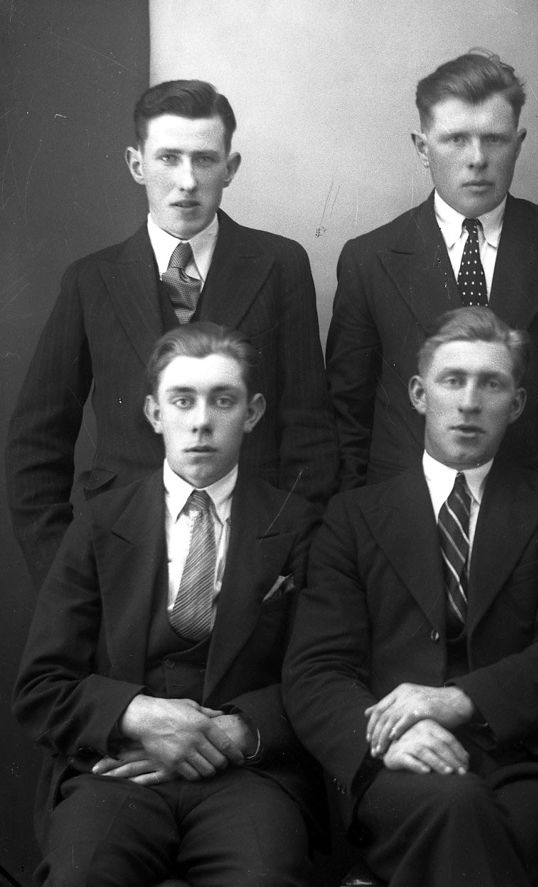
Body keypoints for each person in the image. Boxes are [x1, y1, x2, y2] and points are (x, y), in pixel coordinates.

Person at [286, 307, 538, 887]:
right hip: (398, 755)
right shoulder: (354, 517)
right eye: (452, 381)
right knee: (458, 808)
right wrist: (388, 736)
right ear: (418, 393)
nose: (469, 402)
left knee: (520, 823)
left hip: (524, 753)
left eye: (491, 384)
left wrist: (457, 701)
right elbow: (316, 668)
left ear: (517, 403)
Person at [12, 322, 323, 886]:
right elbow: (41, 687)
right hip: (120, 769)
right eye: (183, 401)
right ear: (155, 413)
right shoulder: (100, 524)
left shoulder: (298, 525)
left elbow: (319, 678)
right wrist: (140, 716)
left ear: (252, 413)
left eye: (222, 400)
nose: (202, 421)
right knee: (82, 873)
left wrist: (233, 733)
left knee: (264, 876)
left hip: (246, 777)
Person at [6, 79, 336, 592]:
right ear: (137, 164)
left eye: (204, 160)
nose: (187, 181)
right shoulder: (91, 280)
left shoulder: (280, 265)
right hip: (120, 559)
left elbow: (309, 430)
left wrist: (293, 560)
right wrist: (65, 578)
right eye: (168, 158)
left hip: (251, 561)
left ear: (230, 167)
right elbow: (36, 443)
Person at [325, 50, 538, 512]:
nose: (477, 159)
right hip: (405, 516)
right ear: (422, 147)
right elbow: (348, 417)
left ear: (518, 143)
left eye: (494, 139)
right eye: (455, 139)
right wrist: (365, 528)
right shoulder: (369, 259)